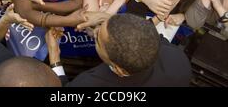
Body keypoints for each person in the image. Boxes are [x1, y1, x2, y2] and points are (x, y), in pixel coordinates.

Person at [50, 13, 192, 86]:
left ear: (119, 70)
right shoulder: (178, 60)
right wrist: (106, 17)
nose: (96, 30)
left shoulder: (89, 82)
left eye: (98, 39)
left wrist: (54, 56)